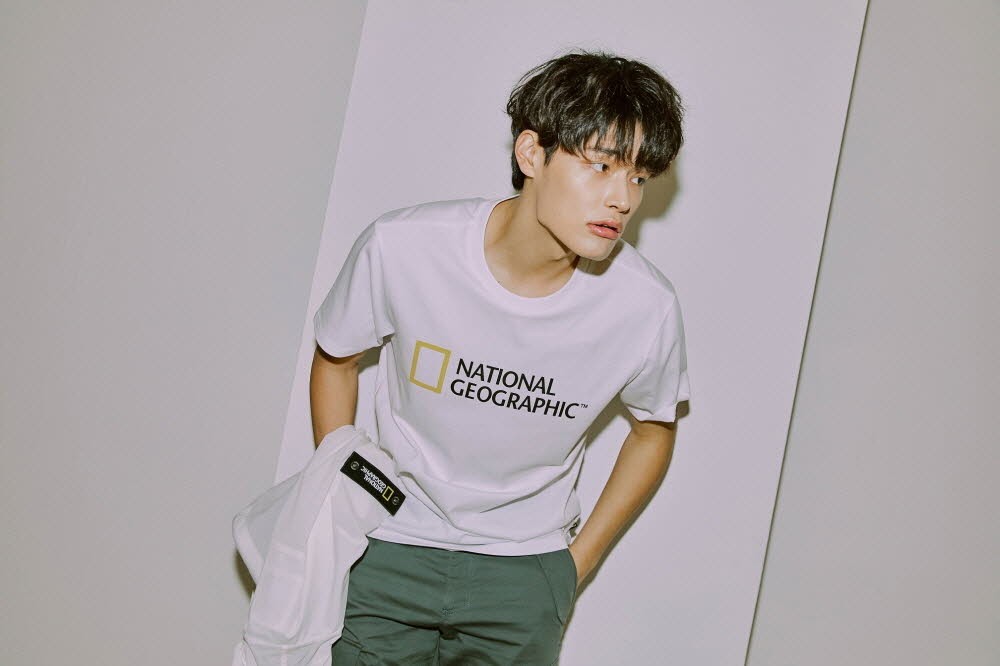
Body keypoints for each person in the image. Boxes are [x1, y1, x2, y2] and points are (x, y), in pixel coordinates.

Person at [310, 49, 691, 665]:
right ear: (532, 153)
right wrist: (344, 502)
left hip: (525, 572)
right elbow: (335, 360)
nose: (622, 198)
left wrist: (574, 566)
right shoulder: (405, 248)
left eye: (639, 178)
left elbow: (654, 430)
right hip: (386, 546)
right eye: (600, 166)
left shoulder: (644, 307)